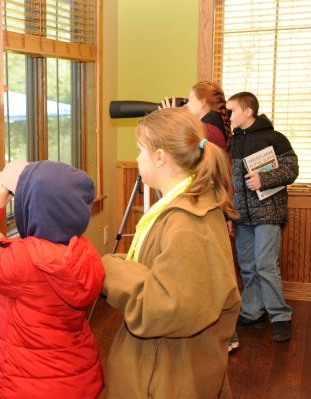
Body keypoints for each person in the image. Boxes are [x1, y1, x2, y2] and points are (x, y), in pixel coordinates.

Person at [101, 108, 241, 399]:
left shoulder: (187, 223)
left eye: (141, 151)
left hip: (169, 376)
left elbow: (164, 308)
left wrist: (107, 269)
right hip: (168, 365)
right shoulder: (185, 205)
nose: (137, 159)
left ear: (161, 157)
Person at [0, 160, 105, 399]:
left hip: (32, 384)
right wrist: (10, 246)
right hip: (73, 376)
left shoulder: (22, 263)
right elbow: (41, 258)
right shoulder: (82, 249)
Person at [162, 80, 239, 351]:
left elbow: (182, 146)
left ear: (203, 103)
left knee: (211, 271)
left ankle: (225, 335)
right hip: (216, 202)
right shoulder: (216, 125)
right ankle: (226, 334)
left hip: (209, 204)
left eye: (190, 102)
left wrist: (172, 116)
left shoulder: (207, 129)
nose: (186, 106)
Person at [226, 91, 299, 342]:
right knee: (247, 267)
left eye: (232, 110)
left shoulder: (275, 138)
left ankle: (281, 317)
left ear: (248, 112)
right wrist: (228, 213)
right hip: (241, 215)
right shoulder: (230, 143)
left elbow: (291, 169)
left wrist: (263, 178)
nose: (228, 115)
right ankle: (253, 313)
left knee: (266, 265)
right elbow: (228, 182)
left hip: (268, 213)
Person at [162, 80, 232, 151]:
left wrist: (170, 118)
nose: (186, 105)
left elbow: (180, 155)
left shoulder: (206, 131)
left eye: (189, 100)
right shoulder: (213, 126)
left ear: (202, 102)